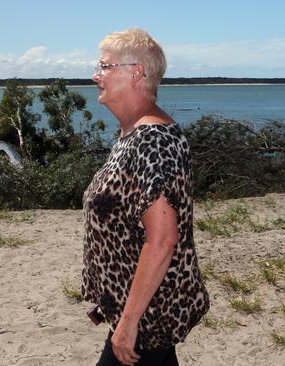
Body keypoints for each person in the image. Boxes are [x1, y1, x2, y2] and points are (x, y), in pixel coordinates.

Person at [82, 28, 210, 366]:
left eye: (104, 66)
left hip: (148, 315)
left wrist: (128, 322)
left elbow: (163, 239)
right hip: (140, 309)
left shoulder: (153, 140)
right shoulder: (132, 133)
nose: (96, 75)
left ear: (136, 72)